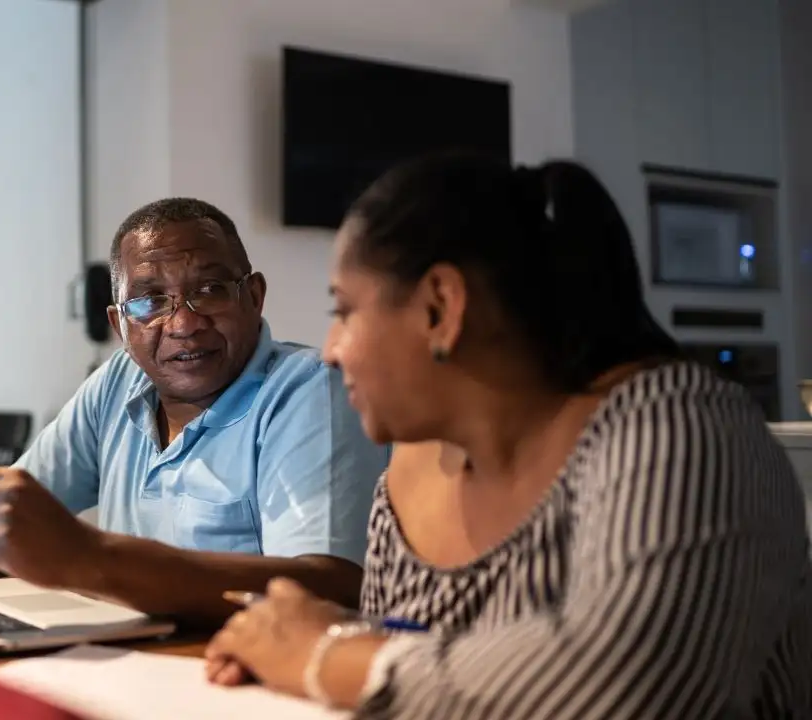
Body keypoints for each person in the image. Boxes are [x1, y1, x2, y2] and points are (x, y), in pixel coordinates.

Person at [203, 153, 811, 717]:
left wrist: (324, 656)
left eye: (344, 311)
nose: (330, 351)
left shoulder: (682, 430)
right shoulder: (409, 470)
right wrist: (302, 640)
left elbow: (619, 685)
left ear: (441, 306)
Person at [0, 198, 387, 625]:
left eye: (208, 290)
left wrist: (90, 559)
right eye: (149, 301)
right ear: (120, 324)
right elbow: (20, 528)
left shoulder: (309, 389)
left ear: (253, 296)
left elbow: (330, 587)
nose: (183, 323)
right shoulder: (119, 382)